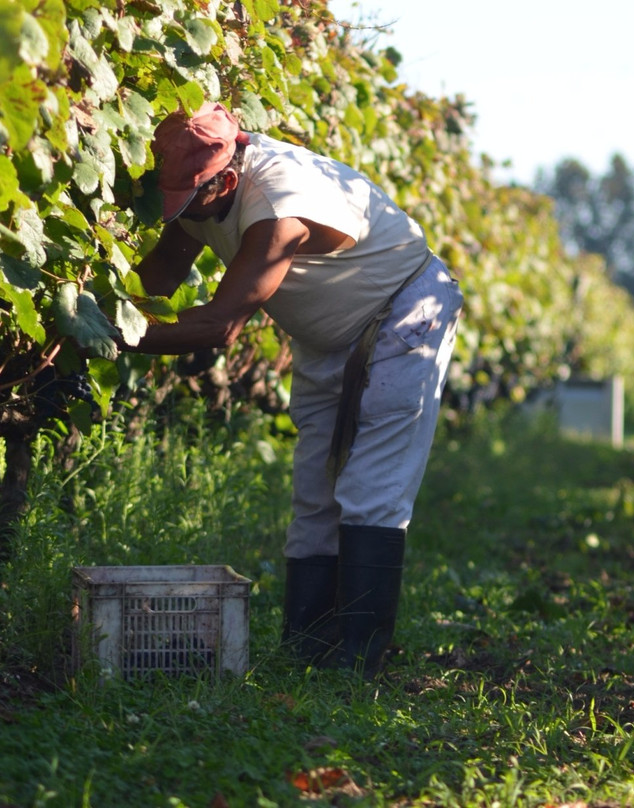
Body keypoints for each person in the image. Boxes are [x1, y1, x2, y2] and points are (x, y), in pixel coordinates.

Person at [126, 102, 464, 676]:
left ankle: (357, 660)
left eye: (188, 200)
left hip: (408, 312)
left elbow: (218, 325)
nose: (180, 214)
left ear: (227, 177)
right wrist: (100, 304)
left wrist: (107, 337)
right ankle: (306, 647)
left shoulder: (280, 205)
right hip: (330, 334)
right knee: (315, 490)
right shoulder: (204, 191)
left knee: (370, 486)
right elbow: (157, 279)